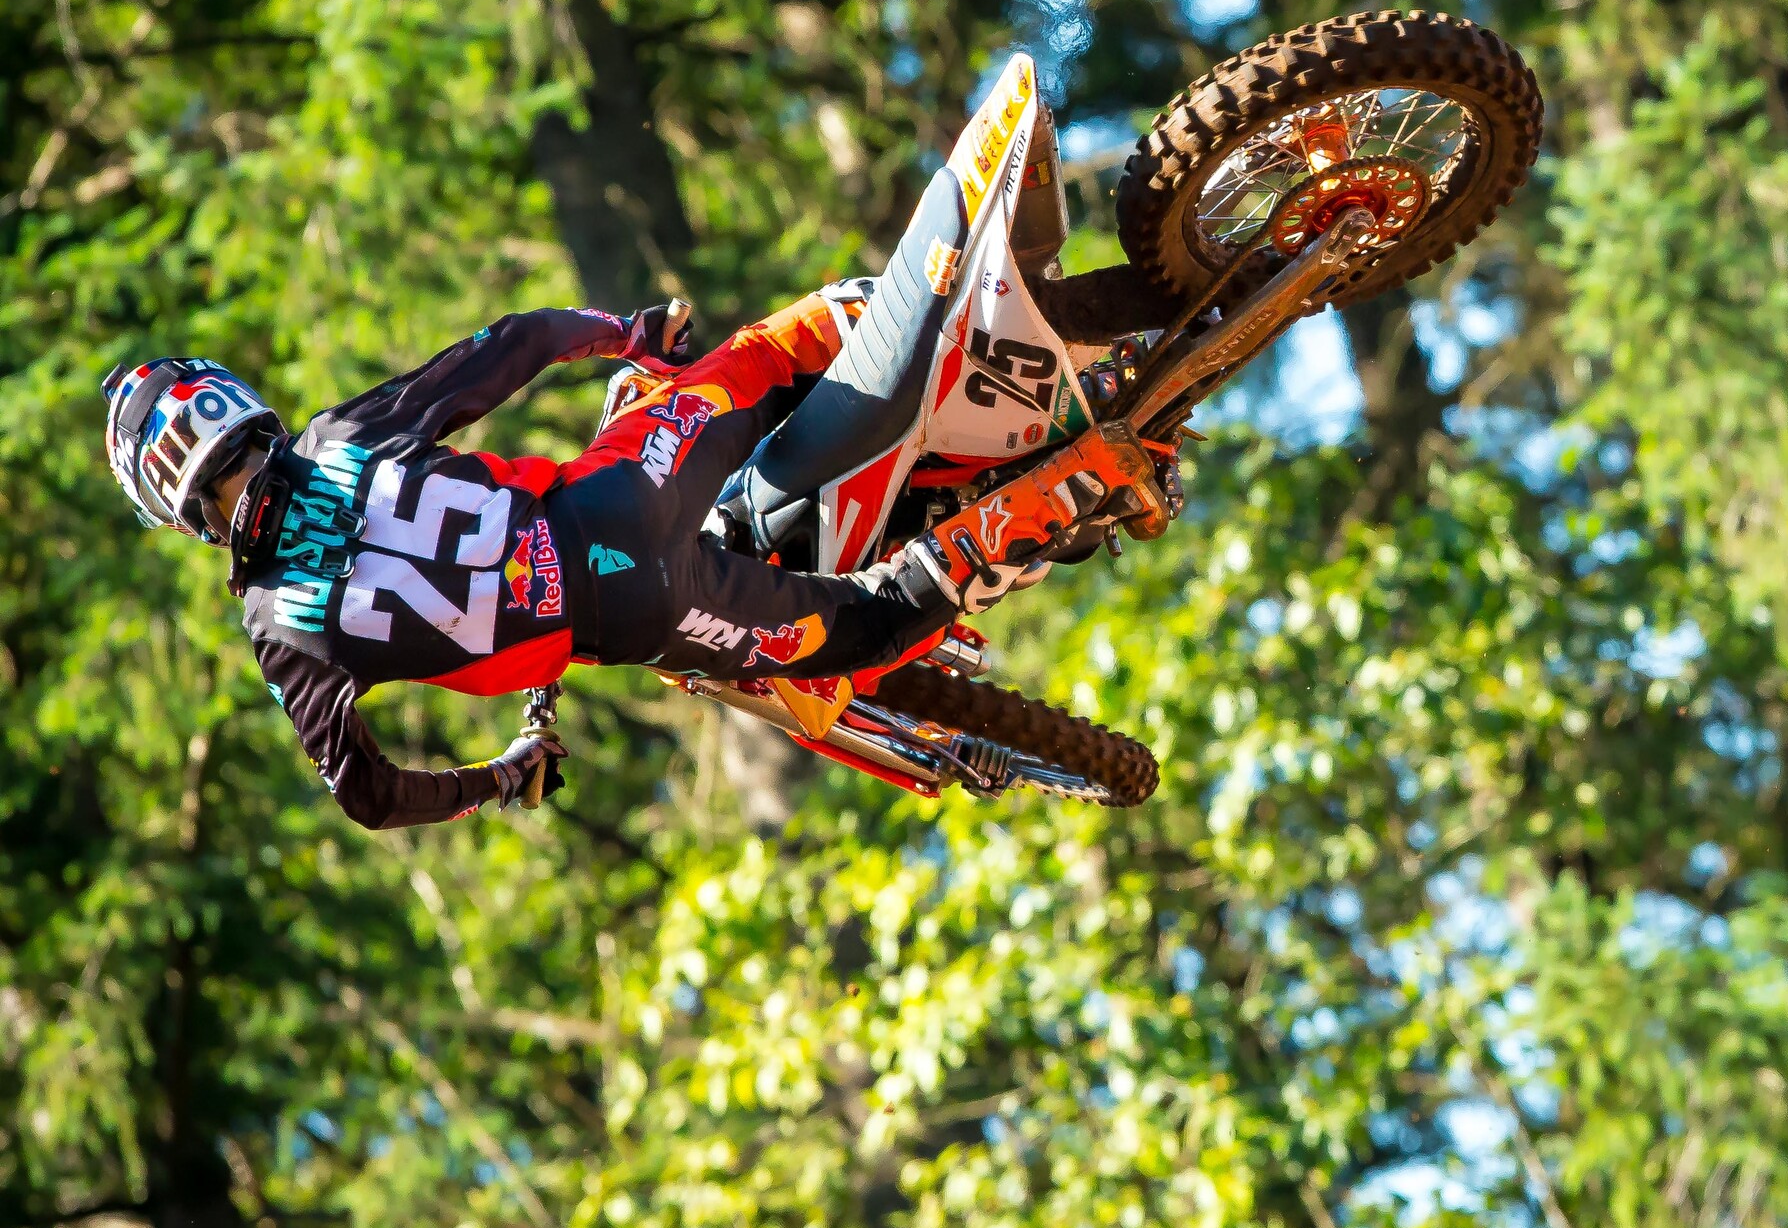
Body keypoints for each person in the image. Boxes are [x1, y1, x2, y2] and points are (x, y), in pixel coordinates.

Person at [102, 291, 1130, 829]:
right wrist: (630, 335)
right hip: (626, 490)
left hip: (647, 612)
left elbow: (369, 798)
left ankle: (1026, 515)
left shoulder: (284, 638)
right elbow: (515, 342)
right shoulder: (341, 438)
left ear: (180, 508)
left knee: (852, 630)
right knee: (778, 349)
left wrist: (501, 779)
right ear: (237, 406)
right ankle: (955, 311)